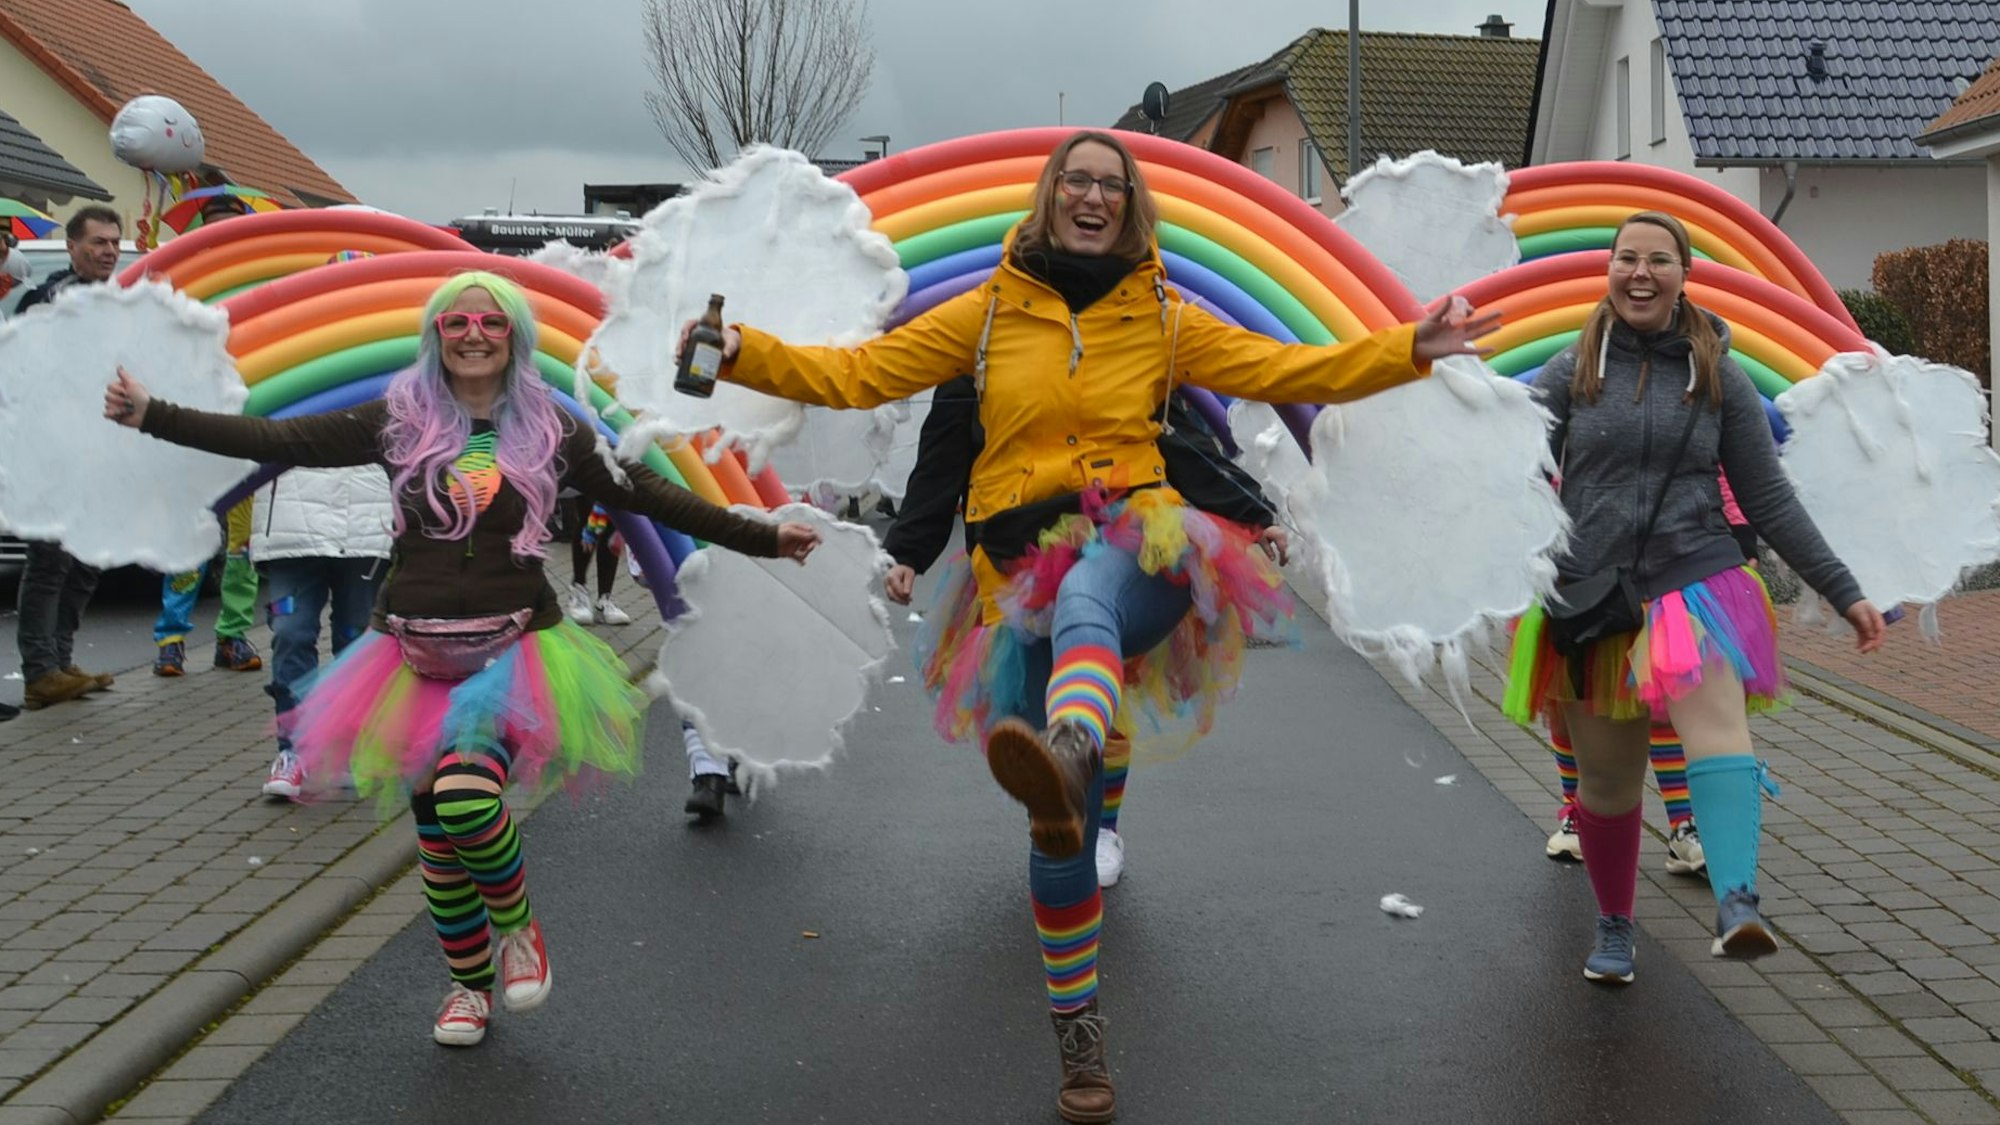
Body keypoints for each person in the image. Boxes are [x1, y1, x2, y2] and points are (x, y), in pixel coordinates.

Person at [697, 130, 1496, 1123]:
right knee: (1056, 835)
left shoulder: (1163, 317)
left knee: (1090, 598)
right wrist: (741, 352)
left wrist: (1410, 347)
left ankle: (1074, 744)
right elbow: (859, 375)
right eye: (1073, 180)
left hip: (1142, 541)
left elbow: (1287, 371)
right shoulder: (986, 314)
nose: (1090, 196)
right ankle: (1076, 1026)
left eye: (1108, 185)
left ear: (1129, 205)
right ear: (1046, 197)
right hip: (1009, 565)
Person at [106, 270, 821, 1048]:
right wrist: (152, 416)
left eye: (491, 321)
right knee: (438, 838)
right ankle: (467, 986)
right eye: (457, 322)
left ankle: (518, 930)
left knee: (468, 800)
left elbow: (647, 491)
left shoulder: (554, 427)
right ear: (436, 337)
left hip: (514, 656)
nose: (474, 333)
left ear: (514, 335)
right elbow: (279, 440)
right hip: (408, 656)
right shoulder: (398, 422)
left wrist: (762, 532)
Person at [1506, 211, 1884, 987]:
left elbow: (1769, 499)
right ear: (1607, 272)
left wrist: (1843, 590)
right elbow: (1504, 463)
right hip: (1592, 593)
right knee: (1609, 785)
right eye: (1626, 259)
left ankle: (1737, 902)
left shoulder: (1719, 373)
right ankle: (1614, 924)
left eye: (1659, 260)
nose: (1640, 273)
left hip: (1696, 575)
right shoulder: (1572, 364)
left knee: (1719, 733)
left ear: (1685, 275)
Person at [883, 374, 1288, 889]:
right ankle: (1058, 818)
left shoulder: (1127, 329)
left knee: (1096, 685)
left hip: (1112, 539)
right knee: (1032, 709)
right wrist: (908, 554)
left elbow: (1177, 436)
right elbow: (941, 462)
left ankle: (1099, 831)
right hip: (1012, 557)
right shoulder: (976, 346)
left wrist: (1250, 509)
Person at [13, 205, 125, 710]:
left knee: (86, 561)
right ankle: (40, 672)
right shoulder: (50, 301)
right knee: (50, 561)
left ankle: (60, 660)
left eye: (114, 243)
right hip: (51, 455)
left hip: (96, 455)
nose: (109, 251)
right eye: (98, 242)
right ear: (73, 247)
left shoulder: (119, 301)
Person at [153, 196, 264, 678]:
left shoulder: (267, 288)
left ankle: (232, 635)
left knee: (242, 547)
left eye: (233, 232)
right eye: (214, 231)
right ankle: (171, 638)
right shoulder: (182, 291)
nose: (223, 241)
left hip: (247, 434)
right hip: (195, 433)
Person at [253, 464, 394, 799]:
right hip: (291, 529)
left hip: (364, 526)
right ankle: (293, 750)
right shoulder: (283, 408)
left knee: (355, 640)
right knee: (289, 631)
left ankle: (348, 747)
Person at [557, 496, 630, 626]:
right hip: (582, 478)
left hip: (613, 477)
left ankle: (604, 599)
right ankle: (579, 590)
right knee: (588, 514)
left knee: (611, 520)